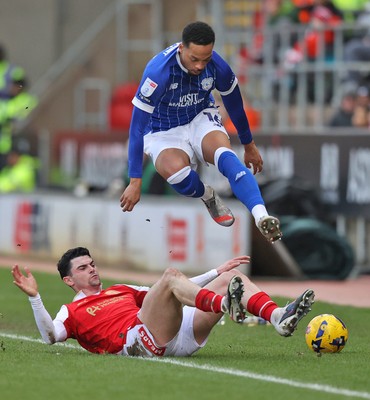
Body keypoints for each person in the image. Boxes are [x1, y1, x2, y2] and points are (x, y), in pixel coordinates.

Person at [119, 21, 282, 243]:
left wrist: (248, 144)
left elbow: (234, 106)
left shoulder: (218, 67)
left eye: (205, 60)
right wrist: (135, 180)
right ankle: (208, 195)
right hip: (161, 129)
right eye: (194, 59)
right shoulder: (158, 73)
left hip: (199, 117)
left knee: (225, 155)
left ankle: (261, 216)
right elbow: (136, 127)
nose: (199, 66)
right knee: (178, 175)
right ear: (181, 49)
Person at [12, 246, 315, 357]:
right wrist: (36, 298)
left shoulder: (120, 289)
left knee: (230, 277)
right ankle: (225, 305)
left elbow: (172, 290)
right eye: (83, 267)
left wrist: (215, 273)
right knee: (170, 275)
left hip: (176, 332)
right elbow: (50, 337)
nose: (91, 269)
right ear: (69, 281)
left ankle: (278, 317)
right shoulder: (71, 310)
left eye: (92, 264)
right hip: (139, 341)